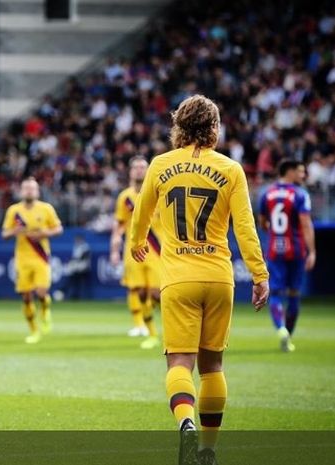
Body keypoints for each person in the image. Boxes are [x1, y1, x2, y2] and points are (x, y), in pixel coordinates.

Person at [129, 95, 269, 465]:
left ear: (179, 126)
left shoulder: (160, 165)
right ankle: (207, 449)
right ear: (214, 128)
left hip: (178, 278)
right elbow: (245, 228)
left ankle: (186, 424)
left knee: (179, 363)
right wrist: (259, 273)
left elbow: (140, 215)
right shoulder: (231, 170)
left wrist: (136, 243)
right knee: (213, 367)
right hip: (219, 277)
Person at [258, 159, 316, 352]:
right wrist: (312, 251)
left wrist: (275, 234)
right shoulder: (300, 194)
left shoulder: (266, 193)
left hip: (275, 249)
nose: (303, 175)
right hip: (297, 249)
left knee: (275, 292)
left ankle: (281, 329)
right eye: (300, 171)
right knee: (294, 294)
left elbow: (263, 222)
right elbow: (306, 223)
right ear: (289, 171)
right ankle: (288, 337)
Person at [1, 178, 63, 343]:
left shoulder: (46, 209)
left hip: (41, 257)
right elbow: (4, 234)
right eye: (26, 188)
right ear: (21, 191)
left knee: (41, 292)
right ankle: (34, 331)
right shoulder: (14, 211)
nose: (29, 191)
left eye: (32, 188)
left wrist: (45, 233)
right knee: (27, 297)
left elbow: (58, 228)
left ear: (37, 191)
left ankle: (45, 309)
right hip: (22, 259)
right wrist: (15, 230)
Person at [110, 156, 163, 348]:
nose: (139, 170)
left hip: (157, 252)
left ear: (149, 170)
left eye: (143, 167)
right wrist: (114, 250)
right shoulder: (125, 197)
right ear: (131, 171)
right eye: (136, 168)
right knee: (139, 291)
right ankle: (151, 333)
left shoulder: (159, 193)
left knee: (157, 293)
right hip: (134, 251)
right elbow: (119, 226)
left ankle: (147, 322)